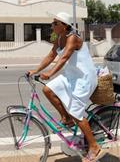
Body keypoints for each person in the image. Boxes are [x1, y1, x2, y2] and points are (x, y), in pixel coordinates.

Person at [28, 12, 103, 162]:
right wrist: (36, 70)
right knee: (48, 89)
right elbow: (51, 56)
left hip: (84, 79)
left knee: (77, 112)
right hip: (70, 77)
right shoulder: (59, 38)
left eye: (55, 23)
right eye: (52, 23)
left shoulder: (73, 38)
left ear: (64, 25)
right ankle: (67, 118)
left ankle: (94, 146)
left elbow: (64, 57)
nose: (52, 26)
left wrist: (50, 73)